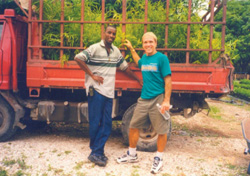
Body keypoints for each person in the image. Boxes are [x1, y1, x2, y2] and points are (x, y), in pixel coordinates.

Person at [74, 25, 142, 167]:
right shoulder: (94, 48)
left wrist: (137, 79)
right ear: (104, 33)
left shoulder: (116, 51)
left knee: (107, 124)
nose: (111, 36)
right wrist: (92, 75)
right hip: (96, 91)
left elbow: (125, 68)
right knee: (95, 122)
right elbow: (78, 58)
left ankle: (97, 152)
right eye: (109, 33)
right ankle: (96, 152)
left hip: (109, 93)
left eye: (114, 34)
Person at [116, 32, 172, 174]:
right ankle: (132, 154)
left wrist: (166, 100)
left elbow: (168, 80)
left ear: (155, 43)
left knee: (161, 130)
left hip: (158, 99)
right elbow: (138, 61)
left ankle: (158, 159)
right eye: (145, 42)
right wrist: (132, 49)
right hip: (144, 99)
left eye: (150, 42)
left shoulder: (162, 58)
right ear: (143, 45)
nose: (148, 45)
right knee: (133, 126)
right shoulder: (145, 59)